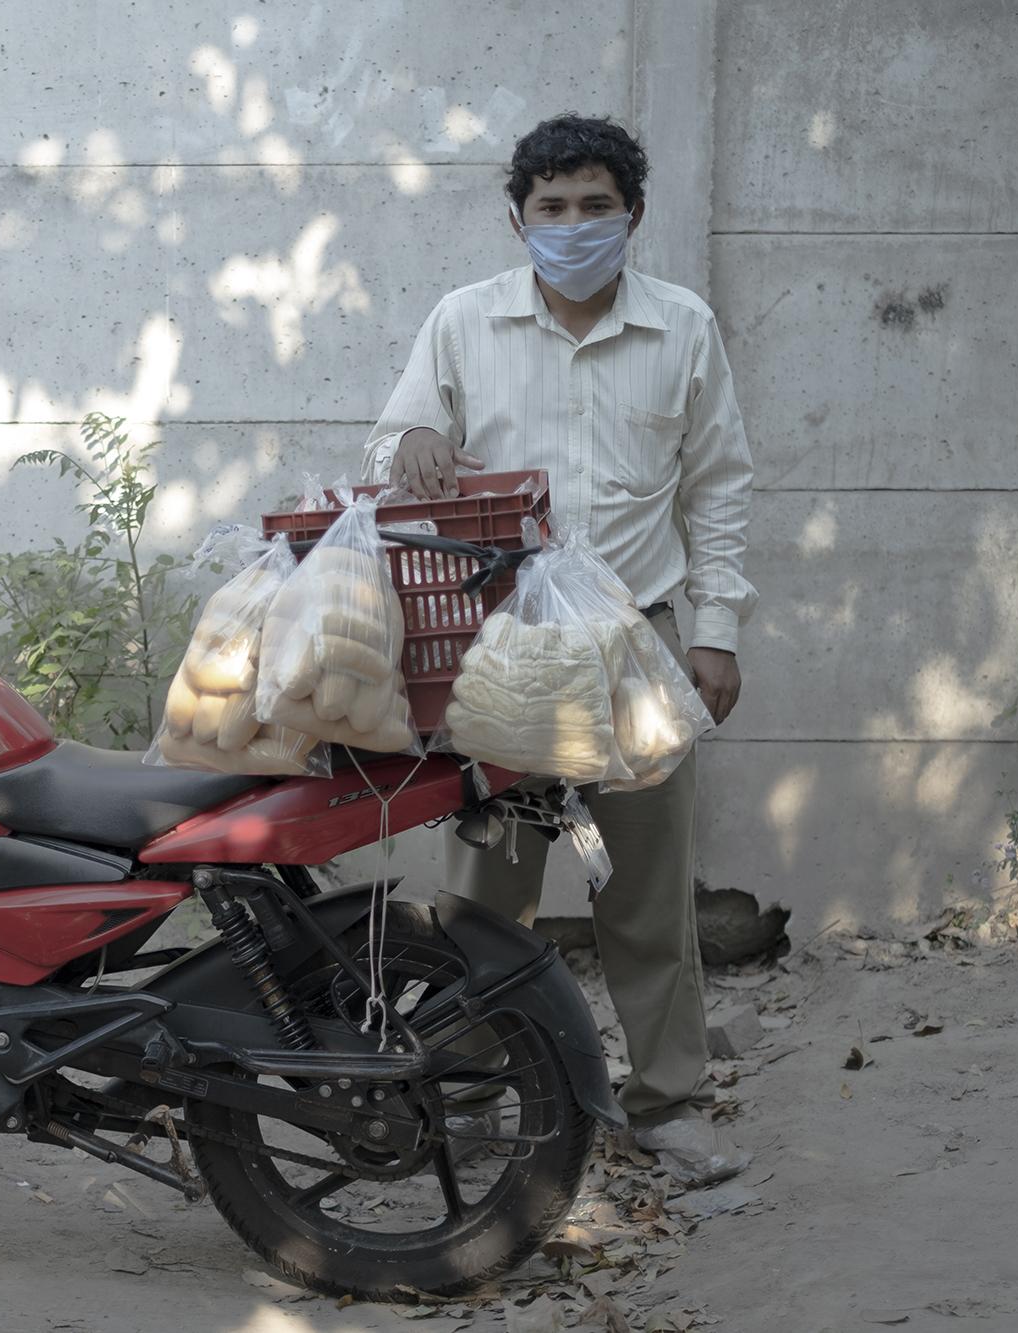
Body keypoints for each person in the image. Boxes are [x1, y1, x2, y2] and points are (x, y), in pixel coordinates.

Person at [363, 114, 757, 1184]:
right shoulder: (462, 322)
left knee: (644, 886)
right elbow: (393, 442)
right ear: (517, 219)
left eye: (595, 206)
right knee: (487, 888)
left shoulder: (680, 328)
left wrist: (713, 633)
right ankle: (477, 1090)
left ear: (633, 216)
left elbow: (717, 487)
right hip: (496, 648)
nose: (572, 226)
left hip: (636, 643)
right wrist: (414, 443)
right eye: (551, 209)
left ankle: (668, 1103)